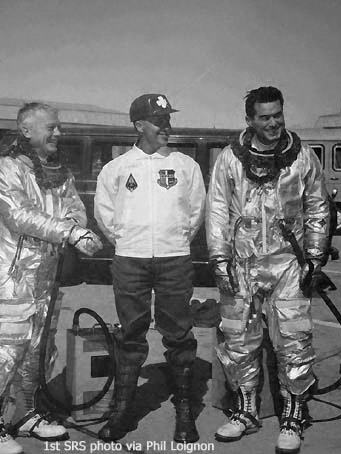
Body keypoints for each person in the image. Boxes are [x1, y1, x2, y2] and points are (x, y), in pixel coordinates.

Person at [206, 86, 332, 454]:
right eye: (265, 117)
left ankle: (293, 417)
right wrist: (219, 259)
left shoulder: (302, 157)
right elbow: (216, 210)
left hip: (288, 264)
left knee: (293, 339)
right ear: (250, 120)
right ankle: (246, 412)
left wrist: (313, 256)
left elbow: (318, 206)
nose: (274, 122)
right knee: (238, 340)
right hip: (242, 263)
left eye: (278, 114)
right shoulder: (230, 159)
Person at [0, 102, 103, 454]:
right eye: (51, 127)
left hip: (46, 274)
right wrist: (70, 234)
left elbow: (76, 208)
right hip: (11, 273)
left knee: (37, 350)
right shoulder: (4, 169)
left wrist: (77, 225)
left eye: (58, 127)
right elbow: (19, 216)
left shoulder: (58, 171)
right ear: (27, 130)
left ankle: (28, 413)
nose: (58, 133)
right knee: (9, 348)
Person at [94, 94, 206, 443]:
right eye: (159, 120)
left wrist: (174, 241)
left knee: (179, 334)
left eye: (168, 118)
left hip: (174, 259)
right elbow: (105, 214)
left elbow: (195, 213)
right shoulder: (117, 168)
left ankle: (185, 412)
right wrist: (129, 241)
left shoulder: (186, 165)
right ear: (139, 125)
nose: (166, 126)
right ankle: (124, 410)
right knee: (131, 334)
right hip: (130, 259)